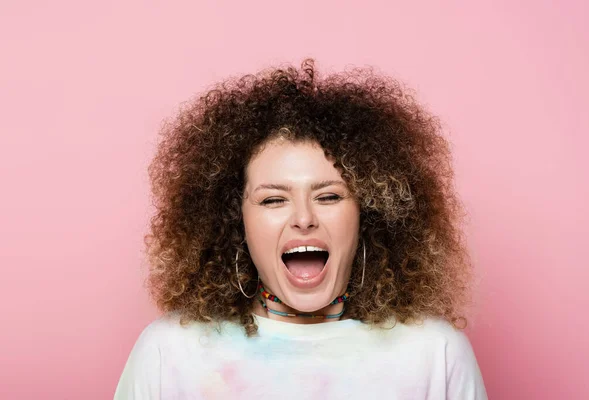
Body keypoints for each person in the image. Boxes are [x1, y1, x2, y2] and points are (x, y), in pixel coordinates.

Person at [114, 59, 488, 399]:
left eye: (328, 197)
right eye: (273, 200)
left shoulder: (435, 354)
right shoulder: (168, 354)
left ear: (370, 213)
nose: (304, 218)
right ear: (234, 219)